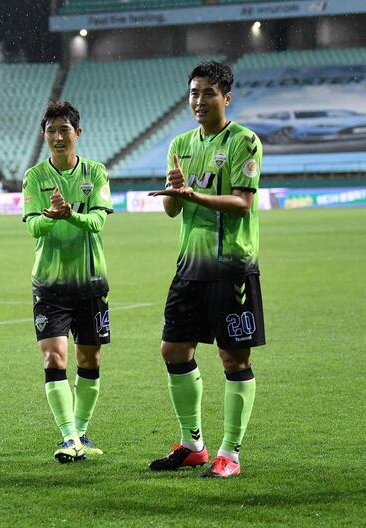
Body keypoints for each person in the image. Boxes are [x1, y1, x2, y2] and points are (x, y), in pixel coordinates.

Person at [147, 61, 264, 478]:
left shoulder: (244, 142)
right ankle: (193, 443)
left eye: (208, 93)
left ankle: (230, 453)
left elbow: (242, 203)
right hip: (189, 267)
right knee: (174, 350)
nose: (199, 101)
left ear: (226, 97)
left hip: (232, 267)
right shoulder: (180, 143)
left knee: (233, 358)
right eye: (194, 93)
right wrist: (177, 192)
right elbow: (171, 208)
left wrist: (192, 193)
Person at [22, 101, 113, 463]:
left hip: (91, 282)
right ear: (44, 136)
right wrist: (49, 216)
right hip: (50, 284)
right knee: (53, 357)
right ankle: (68, 437)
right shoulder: (34, 178)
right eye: (51, 131)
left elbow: (98, 223)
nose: (58, 137)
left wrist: (69, 213)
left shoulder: (96, 173)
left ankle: (81, 431)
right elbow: (32, 226)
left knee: (89, 358)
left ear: (78, 133)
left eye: (64, 130)